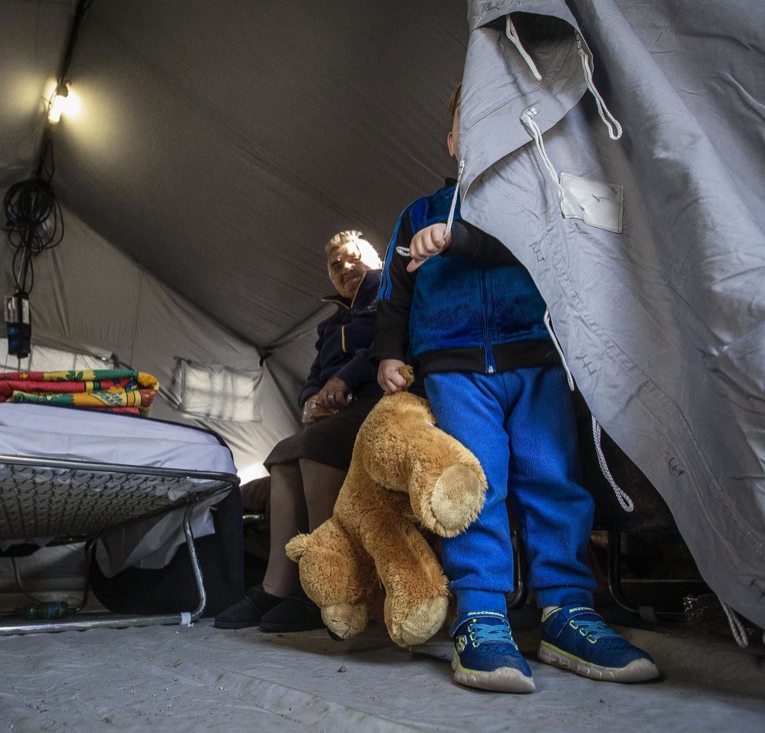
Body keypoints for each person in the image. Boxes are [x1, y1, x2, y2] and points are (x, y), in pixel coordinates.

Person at [371, 83, 659, 692]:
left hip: (537, 359)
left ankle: (567, 610)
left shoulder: (535, 197)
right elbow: (395, 295)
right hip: (454, 369)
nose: (473, 137)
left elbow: (548, 251)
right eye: (463, 127)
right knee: (474, 482)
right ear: (450, 140)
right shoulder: (419, 212)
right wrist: (388, 355)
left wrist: (462, 240)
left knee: (554, 476)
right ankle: (481, 614)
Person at [215, 230, 384, 633]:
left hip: (375, 401)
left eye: (353, 257)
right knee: (283, 452)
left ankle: (326, 588)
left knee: (312, 446)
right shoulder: (329, 326)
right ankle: (277, 587)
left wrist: (343, 379)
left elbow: (386, 345)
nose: (345, 267)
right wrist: (309, 401)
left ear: (375, 260)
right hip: (333, 414)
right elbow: (311, 379)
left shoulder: (391, 298)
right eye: (335, 265)